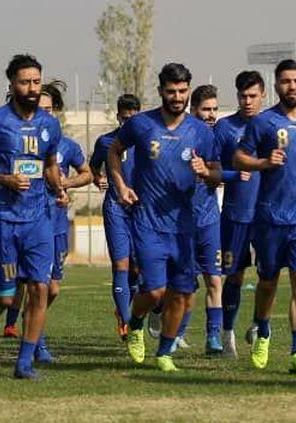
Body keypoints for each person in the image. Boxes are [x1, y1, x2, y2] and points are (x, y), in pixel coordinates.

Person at [108, 64, 219, 373]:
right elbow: (114, 151)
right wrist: (120, 184)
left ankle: (165, 352)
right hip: (147, 221)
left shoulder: (200, 132)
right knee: (155, 290)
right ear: (160, 92)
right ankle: (136, 323)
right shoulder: (142, 125)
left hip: (184, 225)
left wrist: (206, 173)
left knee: (183, 294)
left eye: (183, 91)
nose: (177, 96)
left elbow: (217, 173)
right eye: (171, 91)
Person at [0, 54, 67, 381]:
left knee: (40, 288)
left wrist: (58, 186)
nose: (32, 88)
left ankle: (24, 363)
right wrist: (4, 179)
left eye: (36, 81)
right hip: (3, 220)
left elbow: (49, 164)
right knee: (6, 294)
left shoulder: (50, 125)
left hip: (39, 219)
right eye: (25, 82)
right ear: (11, 84)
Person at [234, 59, 296, 374]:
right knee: (268, 281)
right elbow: (240, 157)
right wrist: (263, 163)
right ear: (276, 85)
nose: (292, 87)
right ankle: (263, 330)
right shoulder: (262, 123)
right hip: (269, 216)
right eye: (286, 81)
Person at [2, 80, 91, 360]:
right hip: (24, 222)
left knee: (50, 289)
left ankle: (28, 333)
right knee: (23, 286)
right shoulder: (16, 139)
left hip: (55, 224)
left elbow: (88, 174)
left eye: (50, 109)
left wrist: (68, 184)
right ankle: (33, 344)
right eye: (40, 108)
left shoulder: (67, 145)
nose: (45, 113)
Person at [213, 71, 264, 358]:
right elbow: (212, 169)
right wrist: (228, 174)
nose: (247, 101)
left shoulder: (271, 125)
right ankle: (227, 335)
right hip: (235, 215)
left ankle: (258, 323)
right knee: (233, 276)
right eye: (243, 96)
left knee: (269, 273)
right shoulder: (224, 129)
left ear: (262, 96)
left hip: (267, 214)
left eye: (253, 96)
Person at [89, 94, 142, 341]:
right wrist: (97, 177)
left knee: (139, 268)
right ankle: (125, 320)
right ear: (118, 117)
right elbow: (92, 167)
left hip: (143, 209)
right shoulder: (106, 142)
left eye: (133, 118)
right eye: (124, 118)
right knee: (120, 265)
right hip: (116, 208)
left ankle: (126, 306)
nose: (128, 122)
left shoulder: (147, 142)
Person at [188, 84, 225, 356]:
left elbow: (226, 174)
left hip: (210, 219)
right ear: (193, 110)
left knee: (214, 279)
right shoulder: (182, 136)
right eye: (205, 109)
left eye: (214, 109)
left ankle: (214, 337)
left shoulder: (218, 140)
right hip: (180, 221)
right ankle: (171, 328)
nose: (211, 115)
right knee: (184, 284)